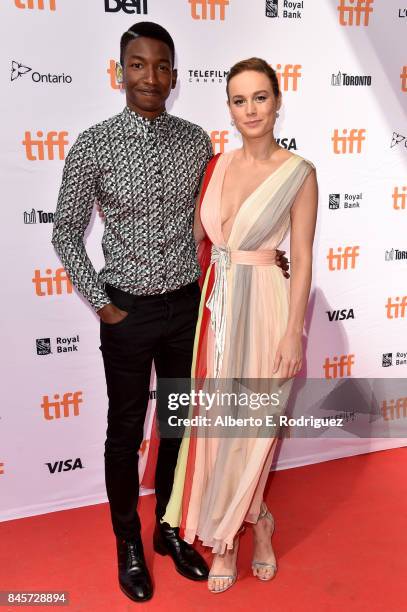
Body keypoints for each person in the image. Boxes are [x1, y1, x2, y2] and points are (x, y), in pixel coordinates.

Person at [52, 22, 290, 603]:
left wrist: (266, 258)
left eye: (161, 66)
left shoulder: (195, 145)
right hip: (126, 313)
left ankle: (167, 529)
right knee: (125, 430)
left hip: (190, 311)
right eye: (138, 65)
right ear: (120, 72)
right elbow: (65, 232)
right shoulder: (94, 143)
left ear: (176, 77)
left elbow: (217, 225)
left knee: (179, 428)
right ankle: (127, 541)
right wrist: (104, 305)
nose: (150, 76)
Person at [162, 57, 318, 594]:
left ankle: (252, 527)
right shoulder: (218, 165)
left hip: (267, 306)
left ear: (277, 101)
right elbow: (208, 245)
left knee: (253, 430)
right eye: (238, 100)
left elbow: (301, 257)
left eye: (259, 97)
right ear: (228, 109)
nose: (250, 109)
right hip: (218, 309)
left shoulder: (300, 173)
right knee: (219, 428)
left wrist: (291, 331)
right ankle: (232, 535)